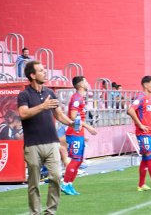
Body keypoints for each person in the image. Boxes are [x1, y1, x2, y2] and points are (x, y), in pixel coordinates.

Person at [17, 60, 76, 215]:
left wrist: (71, 123)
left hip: (52, 143)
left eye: (44, 70)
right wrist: (42, 106)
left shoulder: (50, 93)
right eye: (41, 70)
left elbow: (58, 114)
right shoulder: (24, 95)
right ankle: (35, 213)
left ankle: (50, 212)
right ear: (32, 75)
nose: (45, 72)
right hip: (32, 145)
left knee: (56, 177)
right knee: (34, 183)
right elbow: (23, 114)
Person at [61, 76, 97, 195]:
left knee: (79, 160)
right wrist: (88, 127)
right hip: (73, 133)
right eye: (86, 81)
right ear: (81, 84)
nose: (88, 83)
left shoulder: (80, 98)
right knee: (75, 159)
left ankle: (69, 184)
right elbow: (72, 117)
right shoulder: (77, 98)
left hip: (78, 133)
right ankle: (65, 183)